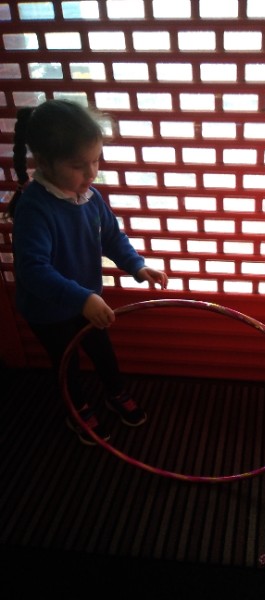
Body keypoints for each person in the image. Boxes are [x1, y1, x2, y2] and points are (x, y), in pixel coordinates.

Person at [6, 99, 168, 445]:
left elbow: (111, 237)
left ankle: (115, 392)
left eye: (95, 160)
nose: (91, 172)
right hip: (49, 310)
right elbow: (33, 270)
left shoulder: (90, 197)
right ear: (44, 162)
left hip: (85, 301)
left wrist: (138, 265)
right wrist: (82, 298)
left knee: (103, 351)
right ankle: (76, 408)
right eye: (78, 166)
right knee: (67, 362)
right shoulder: (35, 208)